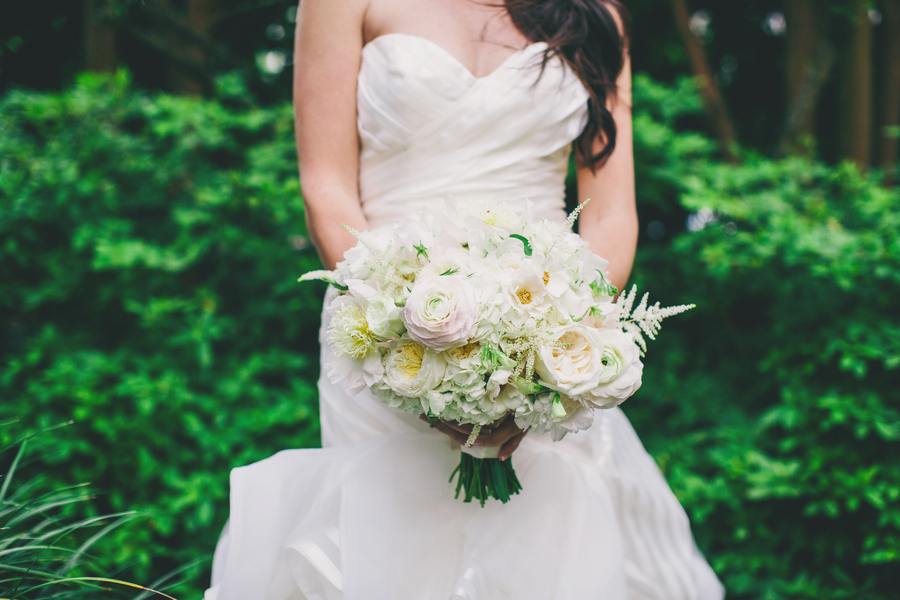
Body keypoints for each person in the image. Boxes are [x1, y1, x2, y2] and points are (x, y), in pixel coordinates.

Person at [205, 0, 725, 598]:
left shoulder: (594, 11)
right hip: (383, 330)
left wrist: (548, 359)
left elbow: (609, 214)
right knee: (388, 555)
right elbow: (326, 189)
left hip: (545, 336)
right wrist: (401, 323)